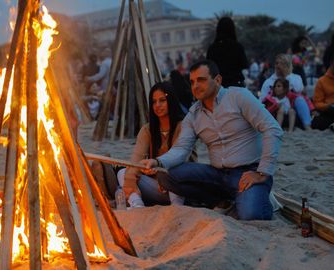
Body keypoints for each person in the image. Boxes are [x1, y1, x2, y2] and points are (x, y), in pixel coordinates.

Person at [141, 60, 283, 220]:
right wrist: (157, 162)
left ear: (217, 80)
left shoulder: (238, 96)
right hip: (218, 174)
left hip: (248, 172)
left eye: (201, 80)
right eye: (192, 82)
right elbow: (181, 149)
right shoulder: (193, 115)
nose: (195, 86)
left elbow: (272, 129)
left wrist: (263, 172)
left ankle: (258, 196)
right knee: (165, 175)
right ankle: (222, 201)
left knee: (251, 215)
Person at [118, 81, 191, 207]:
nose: (157, 105)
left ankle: (177, 209)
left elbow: (182, 159)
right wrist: (132, 179)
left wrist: (159, 170)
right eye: (154, 101)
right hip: (156, 187)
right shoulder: (147, 130)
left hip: (178, 187)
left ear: (171, 101)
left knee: (175, 175)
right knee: (123, 173)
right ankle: (137, 205)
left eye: (162, 100)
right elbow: (135, 160)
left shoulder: (183, 127)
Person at [260, 54, 312, 130]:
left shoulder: (296, 77)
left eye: (282, 63)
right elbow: (262, 100)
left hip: (293, 110)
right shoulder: (269, 82)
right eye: (277, 63)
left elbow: (298, 90)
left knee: (300, 99)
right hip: (276, 111)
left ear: (287, 65)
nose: (278, 66)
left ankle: (307, 126)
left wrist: (286, 75)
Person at [206, 16, 248, 88]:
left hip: (218, 87)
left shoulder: (212, 48)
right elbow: (244, 64)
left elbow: (208, 67)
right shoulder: (237, 47)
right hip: (236, 85)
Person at [312, 56, 334, 130]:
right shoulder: (322, 81)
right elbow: (317, 103)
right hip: (329, 110)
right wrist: (328, 106)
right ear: (332, 64)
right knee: (317, 123)